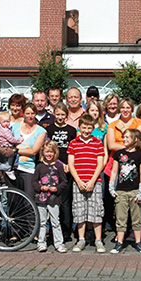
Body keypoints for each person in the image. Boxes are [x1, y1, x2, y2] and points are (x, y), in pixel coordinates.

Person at [105, 98, 141, 232]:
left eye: (128, 107)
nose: (125, 110)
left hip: (134, 165)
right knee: (117, 198)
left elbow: (138, 142)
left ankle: (134, 229)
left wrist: (123, 130)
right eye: (122, 107)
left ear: (132, 109)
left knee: (134, 198)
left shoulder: (139, 123)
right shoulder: (112, 125)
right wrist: (130, 146)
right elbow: (111, 145)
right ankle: (119, 229)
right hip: (117, 164)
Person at [67, 114, 106, 253]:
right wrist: (78, 180)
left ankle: (98, 240)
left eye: (89, 128)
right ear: (79, 127)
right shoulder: (73, 143)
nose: (86, 131)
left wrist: (92, 181)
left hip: (94, 182)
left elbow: (100, 164)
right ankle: (81, 239)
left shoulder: (97, 143)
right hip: (78, 182)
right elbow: (71, 164)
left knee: (96, 211)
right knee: (79, 211)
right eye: (84, 128)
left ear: (93, 128)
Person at [109, 129, 141, 254]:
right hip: (121, 190)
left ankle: (138, 242)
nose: (124, 139)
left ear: (135, 139)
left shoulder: (140, 155)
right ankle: (119, 242)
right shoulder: (118, 154)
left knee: (136, 218)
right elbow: (114, 171)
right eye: (124, 137)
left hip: (135, 190)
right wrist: (111, 187)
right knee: (121, 218)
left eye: (127, 137)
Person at [46, 103, 77, 242]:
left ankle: (66, 231)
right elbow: (48, 149)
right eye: (57, 114)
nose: (60, 117)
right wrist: (58, 163)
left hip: (67, 169)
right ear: (54, 114)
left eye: (62, 114)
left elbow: (73, 150)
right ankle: (54, 231)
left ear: (66, 115)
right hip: (53, 167)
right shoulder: (49, 129)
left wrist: (69, 164)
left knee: (65, 201)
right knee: (53, 200)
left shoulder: (71, 130)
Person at [32, 140, 68, 253]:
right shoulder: (39, 166)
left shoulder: (58, 166)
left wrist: (57, 188)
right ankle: (41, 243)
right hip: (41, 199)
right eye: (47, 152)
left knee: (55, 221)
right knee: (42, 222)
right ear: (43, 152)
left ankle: (59, 243)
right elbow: (34, 181)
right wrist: (40, 187)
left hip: (54, 199)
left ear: (55, 153)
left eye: (51, 152)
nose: (49, 154)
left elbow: (64, 181)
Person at [12, 103, 47, 198]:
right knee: (13, 199)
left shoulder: (41, 131)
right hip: (13, 167)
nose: (30, 116)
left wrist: (15, 150)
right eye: (27, 113)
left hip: (28, 168)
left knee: (28, 199)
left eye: (32, 113)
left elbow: (33, 151)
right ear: (23, 114)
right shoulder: (15, 127)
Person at [0, 111, 23, 180]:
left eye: (8, 121)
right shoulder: (5, 130)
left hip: (4, 146)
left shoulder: (3, 129)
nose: (6, 123)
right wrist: (20, 139)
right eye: (4, 122)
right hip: (6, 147)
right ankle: (9, 170)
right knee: (12, 157)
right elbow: (11, 139)